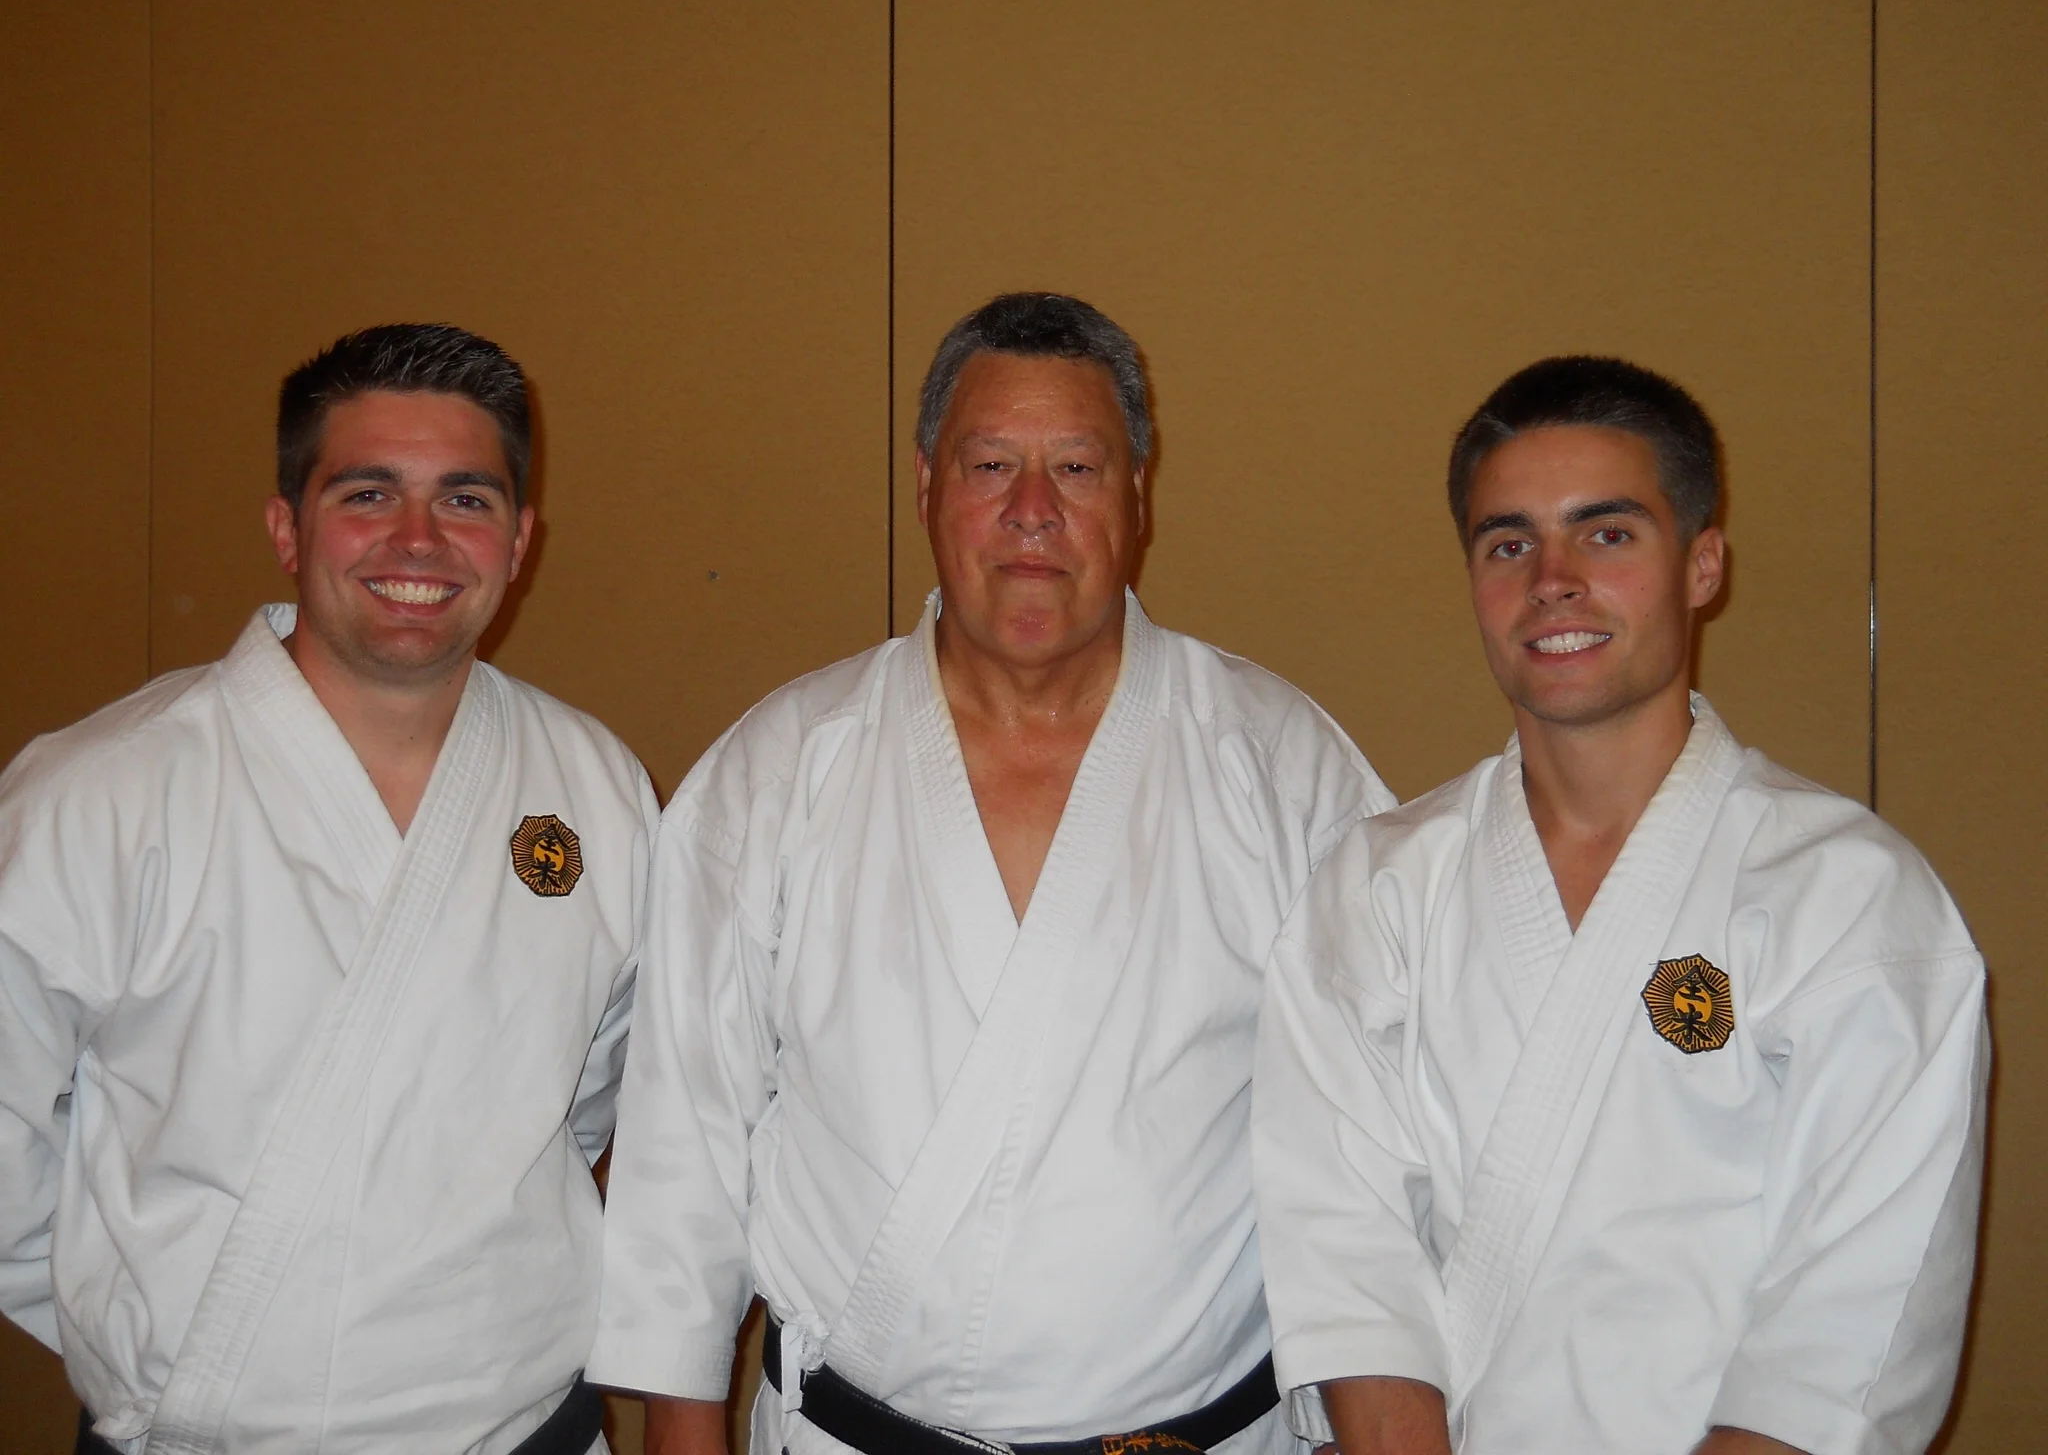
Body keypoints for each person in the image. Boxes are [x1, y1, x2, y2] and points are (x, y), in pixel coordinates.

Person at [590, 292, 1395, 1454]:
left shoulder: (1278, 762)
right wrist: (681, 1428)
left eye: (1075, 466)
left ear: (1135, 495)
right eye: (988, 466)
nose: (1031, 512)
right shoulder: (780, 766)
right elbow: (683, 1140)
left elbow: (1368, 1146)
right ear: (925, 487)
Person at [1253, 356, 1988, 1455]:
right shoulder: (1375, 885)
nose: (1550, 579)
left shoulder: (1848, 897)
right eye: (1507, 543)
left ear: (1700, 565)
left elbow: (1852, 1325)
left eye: (1605, 534)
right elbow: (1340, 1251)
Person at [0, 324, 657, 1455]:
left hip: (530, 1428)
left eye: (466, 498)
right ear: (284, 528)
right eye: (368, 493)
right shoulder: (98, 792)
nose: (420, 540)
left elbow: (586, 1098)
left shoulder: (594, 783)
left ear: (519, 539)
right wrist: (166, 1343)